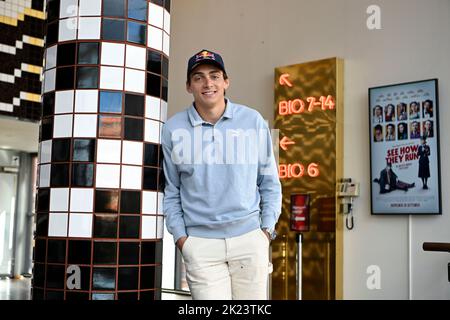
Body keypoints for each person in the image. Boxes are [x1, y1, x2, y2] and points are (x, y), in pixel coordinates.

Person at [161, 49, 282, 300]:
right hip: (200, 244)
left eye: (215, 76)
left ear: (226, 82)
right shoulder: (173, 129)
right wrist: (182, 239)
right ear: (188, 86)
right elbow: (172, 189)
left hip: (249, 240)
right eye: (198, 77)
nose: (208, 83)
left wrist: (266, 231)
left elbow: (269, 180)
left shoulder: (253, 121)